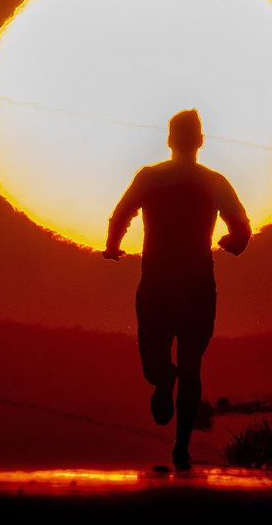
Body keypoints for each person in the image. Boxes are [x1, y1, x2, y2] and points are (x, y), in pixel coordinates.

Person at [102, 108, 252, 471]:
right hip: (195, 284)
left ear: (170, 140)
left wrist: (112, 245)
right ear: (200, 141)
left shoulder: (152, 178)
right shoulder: (212, 182)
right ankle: (179, 439)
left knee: (162, 359)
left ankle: (177, 434)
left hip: (160, 282)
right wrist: (233, 242)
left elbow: (122, 213)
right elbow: (241, 228)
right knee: (189, 367)